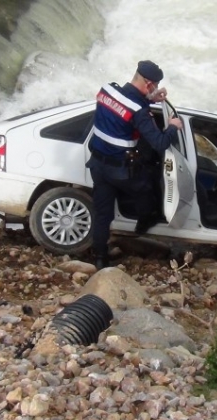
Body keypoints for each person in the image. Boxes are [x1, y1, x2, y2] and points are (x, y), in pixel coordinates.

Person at [87, 60, 183, 270]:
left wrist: (150, 100)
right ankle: (143, 223)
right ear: (149, 84)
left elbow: (124, 108)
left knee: (103, 214)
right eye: (155, 86)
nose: (156, 89)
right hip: (120, 170)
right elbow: (159, 142)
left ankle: (100, 258)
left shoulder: (107, 90)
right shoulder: (138, 110)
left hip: (97, 165)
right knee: (147, 188)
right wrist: (174, 127)